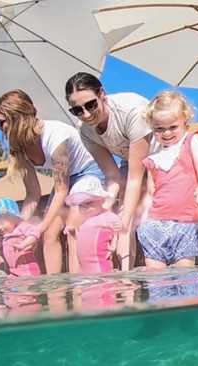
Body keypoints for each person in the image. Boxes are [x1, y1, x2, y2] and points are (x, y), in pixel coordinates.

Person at [0, 89, 104, 273]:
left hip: (88, 172)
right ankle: (55, 291)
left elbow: (61, 191)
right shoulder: (20, 147)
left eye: (0, 121)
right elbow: (32, 194)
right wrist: (18, 227)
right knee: (49, 232)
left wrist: (36, 230)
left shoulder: (55, 135)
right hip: (65, 181)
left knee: (72, 228)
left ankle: (80, 288)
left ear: (16, 118)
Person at [65, 72, 152, 268]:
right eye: (77, 110)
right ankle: (126, 280)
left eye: (90, 104)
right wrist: (103, 209)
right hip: (130, 163)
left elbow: (134, 179)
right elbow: (113, 176)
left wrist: (124, 221)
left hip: (163, 157)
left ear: (102, 94)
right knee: (120, 214)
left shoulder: (131, 112)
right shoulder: (86, 131)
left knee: (131, 219)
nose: (86, 115)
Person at [136, 90, 198, 269]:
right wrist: (142, 221)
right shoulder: (153, 159)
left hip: (185, 224)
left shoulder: (191, 141)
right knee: (157, 284)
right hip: (154, 225)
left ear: (185, 122)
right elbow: (150, 192)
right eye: (159, 129)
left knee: (186, 278)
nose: (167, 133)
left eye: (173, 127)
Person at [65, 176, 123, 273]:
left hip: (100, 269)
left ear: (101, 199)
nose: (84, 207)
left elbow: (119, 228)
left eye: (88, 203)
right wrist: (73, 233)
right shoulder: (84, 222)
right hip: (84, 272)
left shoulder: (107, 217)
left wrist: (114, 243)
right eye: (80, 205)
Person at [0, 197, 42, 277]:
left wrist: (24, 244)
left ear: (15, 218)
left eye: (1, 222)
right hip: (13, 272)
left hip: (28, 270)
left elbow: (35, 232)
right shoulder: (3, 237)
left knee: (28, 286)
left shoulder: (21, 227)